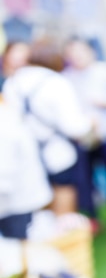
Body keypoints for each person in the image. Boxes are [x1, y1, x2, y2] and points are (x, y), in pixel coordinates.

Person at [3, 40, 92, 215]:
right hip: (58, 155)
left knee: (39, 215)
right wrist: (90, 122)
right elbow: (74, 127)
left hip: (26, 157)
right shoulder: (57, 82)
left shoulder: (11, 84)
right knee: (64, 216)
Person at [64, 38, 106, 243]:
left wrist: (104, 102)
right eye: (72, 53)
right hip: (82, 139)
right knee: (86, 180)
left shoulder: (105, 71)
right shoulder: (66, 78)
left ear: (90, 52)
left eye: (80, 51)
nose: (77, 57)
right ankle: (93, 219)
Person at [0, 96, 52, 239]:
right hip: (19, 201)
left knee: (19, 252)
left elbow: (4, 177)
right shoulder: (9, 114)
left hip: (16, 205)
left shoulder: (4, 124)